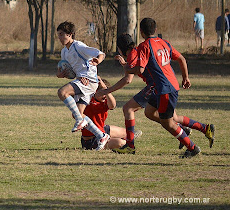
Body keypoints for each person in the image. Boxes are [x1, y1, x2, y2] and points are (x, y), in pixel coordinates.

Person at [97, 33, 215, 154]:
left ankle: (130, 145)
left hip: (156, 87)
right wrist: (126, 66)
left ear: (120, 49)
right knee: (155, 114)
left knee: (128, 108)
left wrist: (107, 91)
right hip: (163, 85)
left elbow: (128, 79)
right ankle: (204, 128)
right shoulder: (136, 51)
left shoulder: (132, 54)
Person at [125, 18, 214, 158]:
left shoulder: (144, 46)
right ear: (155, 30)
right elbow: (181, 59)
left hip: (165, 88)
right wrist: (185, 78)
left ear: (141, 32)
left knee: (168, 123)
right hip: (166, 86)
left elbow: (140, 70)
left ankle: (192, 148)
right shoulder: (164, 42)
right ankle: (202, 128)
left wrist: (126, 67)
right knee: (149, 112)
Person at [56, 21, 109, 151]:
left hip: (90, 81)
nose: (60, 37)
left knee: (62, 92)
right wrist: (61, 74)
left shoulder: (78, 46)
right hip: (82, 82)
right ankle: (101, 135)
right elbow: (68, 71)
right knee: (77, 114)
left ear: (70, 34)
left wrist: (98, 60)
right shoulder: (64, 52)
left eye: (62, 34)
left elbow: (100, 53)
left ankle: (81, 121)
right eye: (58, 35)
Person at [80, 77, 142, 150]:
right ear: (95, 91)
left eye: (106, 93)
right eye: (103, 93)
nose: (105, 96)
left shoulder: (105, 102)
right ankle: (117, 141)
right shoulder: (87, 99)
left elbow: (113, 105)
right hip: (92, 139)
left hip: (102, 129)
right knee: (121, 143)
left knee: (129, 133)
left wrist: (106, 90)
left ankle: (124, 138)